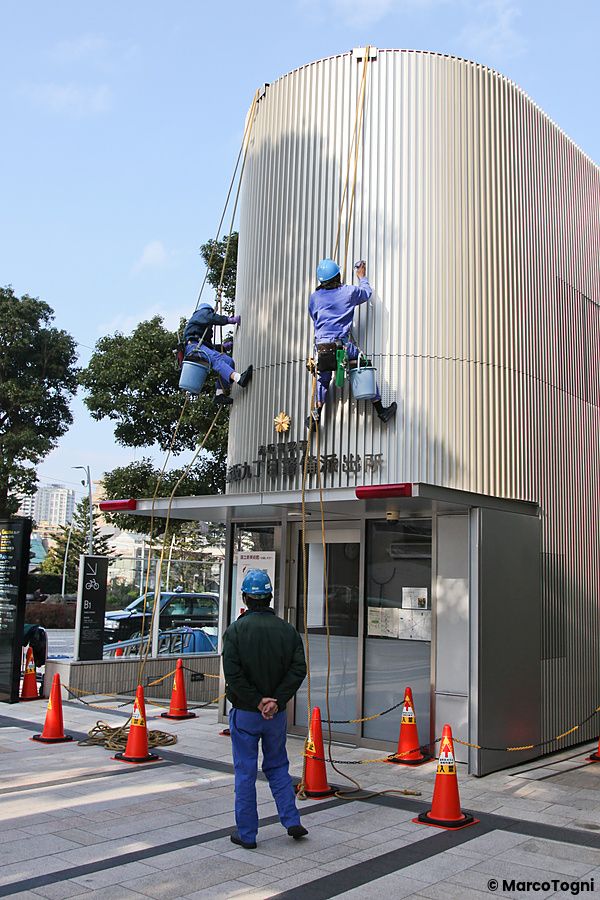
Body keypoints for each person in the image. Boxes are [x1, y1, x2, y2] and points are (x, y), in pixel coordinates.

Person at [222, 569, 308, 849]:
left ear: (246, 597)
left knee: (245, 772)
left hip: (246, 713)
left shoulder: (235, 631)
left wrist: (257, 701)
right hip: (275, 715)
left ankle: (247, 834)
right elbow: (298, 669)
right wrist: (275, 700)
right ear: (270, 596)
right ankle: (291, 819)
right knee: (278, 766)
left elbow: (233, 675)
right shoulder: (287, 630)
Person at [307, 258, 397, 427]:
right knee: (363, 363)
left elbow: (314, 316)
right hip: (342, 347)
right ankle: (381, 410)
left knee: (323, 378)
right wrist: (361, 276)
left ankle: (315, 417)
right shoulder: (348, 292)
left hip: (321, 349)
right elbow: (366, 292)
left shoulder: (314, 298)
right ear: (338, 275)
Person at [183, 299, 253, 405]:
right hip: (193, 347)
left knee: (228, 361)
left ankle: (220, 394)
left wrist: (223, 347)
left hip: (199, 347)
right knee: (217, 359)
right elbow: (210, 318)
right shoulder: (201, 314)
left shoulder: (201, 329)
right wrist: (229, 320)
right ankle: (239, 378)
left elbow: (208, 348)